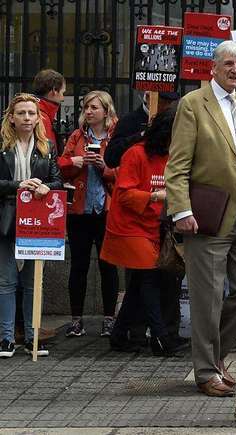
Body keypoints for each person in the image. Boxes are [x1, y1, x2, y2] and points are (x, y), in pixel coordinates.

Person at [164, 40, 236, 397]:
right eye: (229, 64)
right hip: (209, 214)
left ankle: (214, 358)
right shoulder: (193, 105)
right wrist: (181, 210)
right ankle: (205, 372)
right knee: (208, 296)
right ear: (213, 68)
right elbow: (178, 164)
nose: (235, 70)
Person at [101, 105, 184, 357]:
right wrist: (156, 195)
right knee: (148, 279)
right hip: (129, 226)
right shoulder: (135, 154)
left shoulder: (171, 156)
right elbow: (124, 194)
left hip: (151, 225)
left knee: (139, 283)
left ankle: (118, 335)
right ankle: (160, 338)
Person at [0, 93, 63, 358]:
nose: (27, 117)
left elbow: (58, 180)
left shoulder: (46, 146)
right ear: (11, 118)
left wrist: (47, 186)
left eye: (31, 113)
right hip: (5, 218)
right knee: (6, 280)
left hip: (37, 221)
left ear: (38, 118)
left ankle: (31, 336)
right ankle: (5, 339)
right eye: (21, 113)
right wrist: (18, 185)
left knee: (32, 281)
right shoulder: (2, 146)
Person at [58, 91, 120, 338]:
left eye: (94, 107)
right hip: (80, 210)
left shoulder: (115, 136)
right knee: (79, 266)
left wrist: (104, 166)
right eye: (86, 107)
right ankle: (76, 320)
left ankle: (108, 319)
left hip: (106, 209)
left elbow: (123, 171)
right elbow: (60, 166)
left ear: (106, 110)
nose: (89, 111)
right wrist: (78, 161)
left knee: (108, 266)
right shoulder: (77, 136)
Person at [104, 91, 180, 169]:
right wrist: (142, 135)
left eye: (169, 103)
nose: (166, 107)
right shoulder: (129, 121)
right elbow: (111, 157)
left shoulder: (173, 121)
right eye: (162, 102)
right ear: (148, 98)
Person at [32, 69, 66, 150]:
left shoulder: (35, 111)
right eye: (62, 93)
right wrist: (70, 160)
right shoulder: (42, 117)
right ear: (54, 90)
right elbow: (46, 157)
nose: (63, 98)